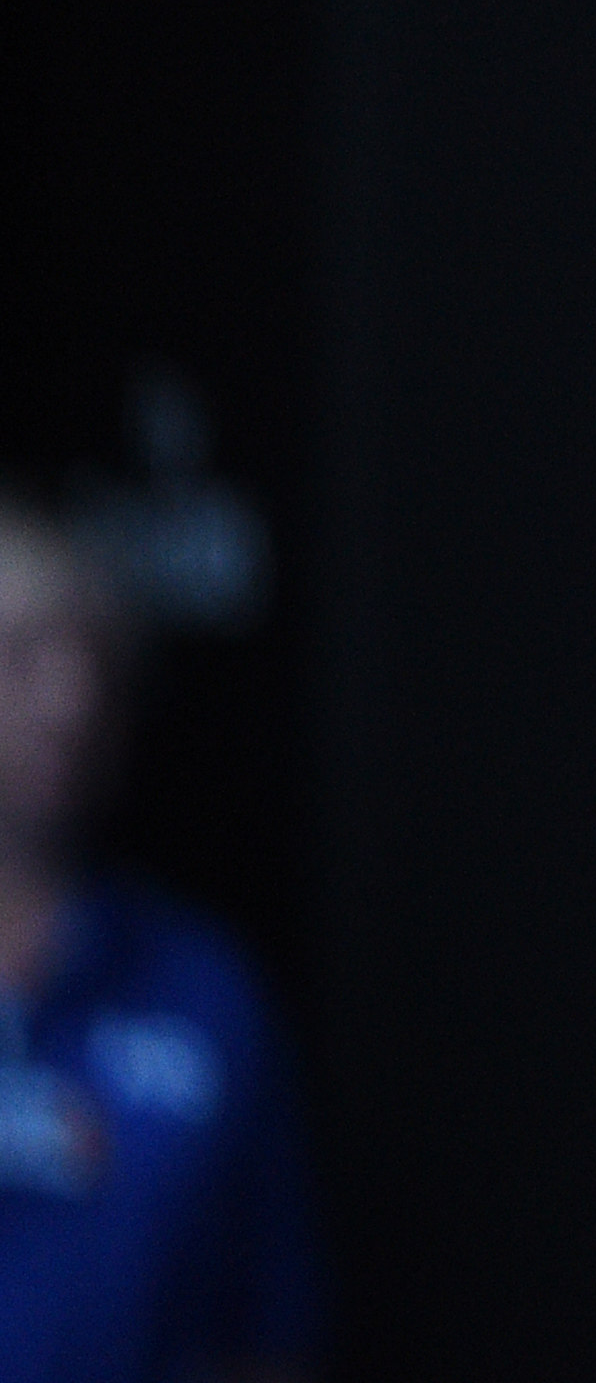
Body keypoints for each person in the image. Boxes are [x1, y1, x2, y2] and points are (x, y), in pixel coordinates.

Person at [0, 504, 321, 1383]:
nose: (70, 702)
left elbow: (269, 1330)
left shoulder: (205, 991)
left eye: (96, 664)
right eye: (24, 654)